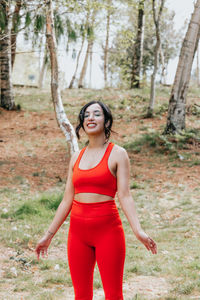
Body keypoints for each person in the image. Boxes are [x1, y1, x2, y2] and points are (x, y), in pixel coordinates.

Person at [35, 100, 157, 300]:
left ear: (106, 121)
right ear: (82, 123)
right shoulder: (76, 157)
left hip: (108, 231)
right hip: (78, 233)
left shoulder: (118, 154)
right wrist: (48, 235)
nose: (90, 118)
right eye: (86, 115)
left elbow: (125, 195)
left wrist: (138, 231)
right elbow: (67, 200)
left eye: (97, 114)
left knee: (113, 295)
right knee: (81, 295)